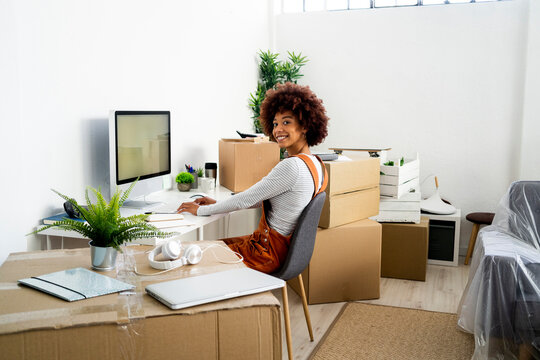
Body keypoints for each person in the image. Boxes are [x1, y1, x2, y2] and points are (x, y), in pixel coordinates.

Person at [177, 82, 329, 274]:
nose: (278, 130)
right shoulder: (316, 164)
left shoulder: (292, 166)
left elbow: (246, 199)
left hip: (264, 254)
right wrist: (217, 203)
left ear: (305, 125)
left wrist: (201, 211)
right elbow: (261, 199)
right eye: (275, 124)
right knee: (208, 246)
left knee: (193, 256)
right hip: (282, 252)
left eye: (286, 122)